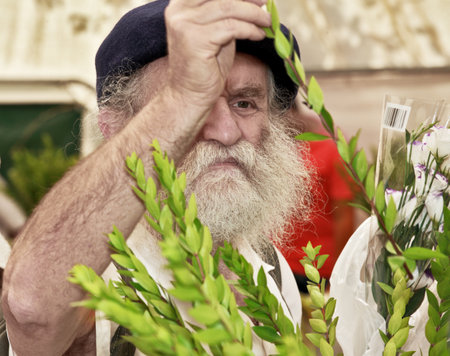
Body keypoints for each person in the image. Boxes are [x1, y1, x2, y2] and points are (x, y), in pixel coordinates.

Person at [1, 0, 315, 354]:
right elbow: (31, 311)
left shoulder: (268, 267)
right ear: (114, 127)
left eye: (244, 103)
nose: (226, 132)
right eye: (192, 109)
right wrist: (183, 97)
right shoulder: (99, 277)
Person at [281, 100, 355, 293]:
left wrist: (339, 278)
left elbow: (344, 217)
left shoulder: (331, 146)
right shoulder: (273, 145)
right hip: (279, 264)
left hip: (318, 270)